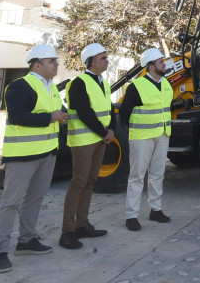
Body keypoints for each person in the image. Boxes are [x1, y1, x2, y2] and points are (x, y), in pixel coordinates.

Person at [0, 44, 67, 273]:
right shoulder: (19, 86)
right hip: (22, 156)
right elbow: (17, 116)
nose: (56, 64)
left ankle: (26, 240)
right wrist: (51, 117)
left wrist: (62, 115)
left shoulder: (51, 87)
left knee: (35, 199)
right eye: (52, 61)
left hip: (46, 153)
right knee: (10, 203)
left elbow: (58, 111)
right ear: (37, 64)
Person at [59, 43, 115, 249]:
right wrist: (104, 132)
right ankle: (67, 232)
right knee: (79, 182)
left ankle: (82, 225)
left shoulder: (104, 83)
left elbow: (108, 109)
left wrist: (111, 130)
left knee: (90, 180)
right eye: (103, 57)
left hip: (99, 139)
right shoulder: (78, 83)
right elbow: (84, 112)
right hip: (84, 141)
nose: (107, 60)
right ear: (92, 61)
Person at [119, 47, 172, 231]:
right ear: (150, 67)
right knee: (137, 177)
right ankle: (131, 216)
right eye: (160, 62)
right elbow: (124, 113)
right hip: (142, 138)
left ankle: (155, 210)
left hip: (163, 134)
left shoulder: (166, 83)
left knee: (158, 174)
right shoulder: (136, 86)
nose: (164, 64)